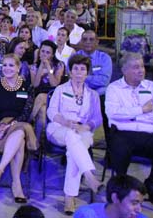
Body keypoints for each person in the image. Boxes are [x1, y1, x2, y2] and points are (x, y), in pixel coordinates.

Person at [105, 52, 153, 207]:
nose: (142, 70)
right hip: (123, 134)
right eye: (136, 67)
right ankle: (123, 187)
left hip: (149, 134)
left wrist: (133, 116)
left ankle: (151, 183)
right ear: (124, 70)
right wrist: (143, 110)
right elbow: (113, 113)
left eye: (143, 66)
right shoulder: (114, 88)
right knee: (119, 149)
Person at [46, 54, 104, 214]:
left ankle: (69, 197)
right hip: (58, 128)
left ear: (87, 73)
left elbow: (97, 118)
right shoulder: (60, 89)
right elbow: (51, 112)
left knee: (74, 151)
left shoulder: (93, 95)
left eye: (82, 69)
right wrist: (66, 123)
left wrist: (87, 126)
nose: (79, 72)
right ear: (70, 72)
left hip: (82, 132)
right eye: (75, 69)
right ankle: (90, 178)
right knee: (73, 137)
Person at [0, 54, 37, 204]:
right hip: (0, 127)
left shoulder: (27, 87)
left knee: (20, 130)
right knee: (19, 138)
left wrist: (11, 125)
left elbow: (26, 113)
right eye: (4, 65)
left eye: (11, 65)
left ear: (18, 67)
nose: (7, 69)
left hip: (20, 124)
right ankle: (17, 185)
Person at [29, 40, 65, 140]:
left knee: (41, 97)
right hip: (37, 96)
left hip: (54, 95)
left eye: (48, 52)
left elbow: (54, 84)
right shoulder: (34, 67)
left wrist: (48, 68)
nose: (44, 54)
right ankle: (37, 143)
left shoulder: (59, 65)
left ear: (53, 55)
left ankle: (28, 119)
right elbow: (35, 85)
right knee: (42, 111)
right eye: (42, 51)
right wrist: (41, 66)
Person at [73, 174, 148, 218]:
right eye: (134, 203)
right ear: (115, 198)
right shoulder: (87, 215)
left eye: (140, 204)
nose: (139, 210)